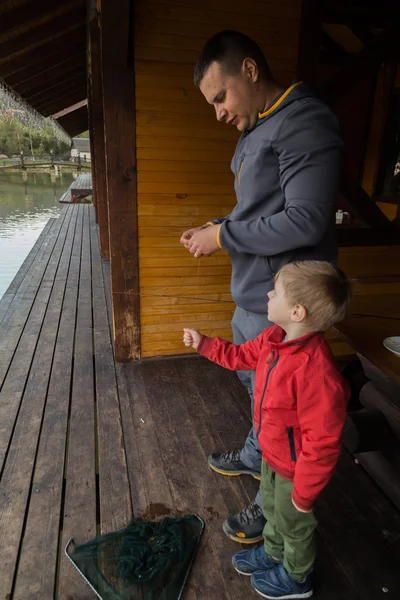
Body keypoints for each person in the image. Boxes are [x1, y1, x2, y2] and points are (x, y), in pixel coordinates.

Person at [179, 30, 343, 544]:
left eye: (221, 97)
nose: (219, 112)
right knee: (260, 392)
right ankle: (255, 454)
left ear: (250, 70)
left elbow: (306, 220)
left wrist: (223, 234)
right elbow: (262, 212)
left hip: (288, 306)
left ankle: (273, 507)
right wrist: (219, 223)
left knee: (286, 414)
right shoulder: (257, 129)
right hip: (255, 296)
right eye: (211, 104)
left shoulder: (304, 122)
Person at [183, 261, 351, 599]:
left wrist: (304, 494)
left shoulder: (317, 373)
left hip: (295, 469)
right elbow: (241, 355)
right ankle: (274, 552)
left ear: (297, 312)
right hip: (272, 454)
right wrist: (204, 344)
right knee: (272, 511)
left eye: (276, 292)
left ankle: (297, 577)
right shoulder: (275, 338)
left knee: (295, 523)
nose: (269, 294)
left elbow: (323, 445)